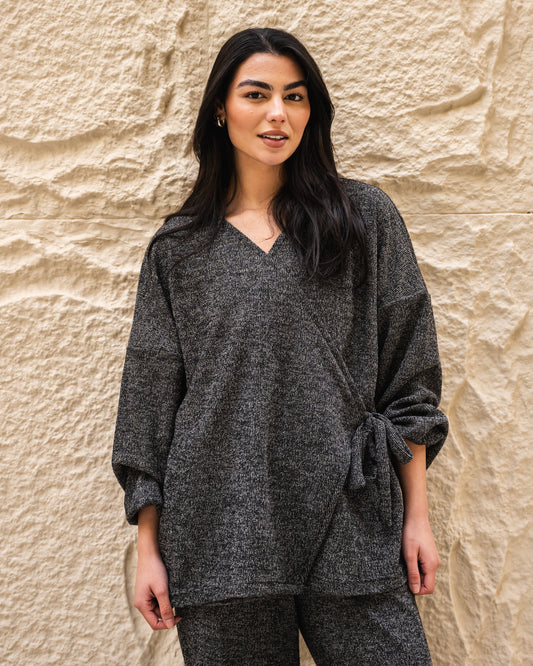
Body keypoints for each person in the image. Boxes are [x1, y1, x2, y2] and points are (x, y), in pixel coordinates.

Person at [112, 27, 449, 665]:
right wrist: (149, 549)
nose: (278, 113)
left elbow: (410, 378)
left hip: (353, 519)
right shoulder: (178, 249)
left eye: (295, 97)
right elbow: (150, 406)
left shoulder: (363, 220)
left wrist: (417, 517)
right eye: (256, 94)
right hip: (219, 534)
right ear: (220, 108)